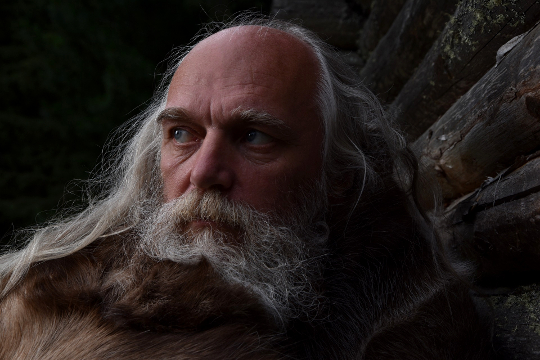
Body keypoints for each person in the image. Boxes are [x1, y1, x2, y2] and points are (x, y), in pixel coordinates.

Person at [0, 16, 494, 359]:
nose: (204, 172)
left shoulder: (413, 322)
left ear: (337, 179)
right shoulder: (43, 287)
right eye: (182, 134)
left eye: (254, 137)